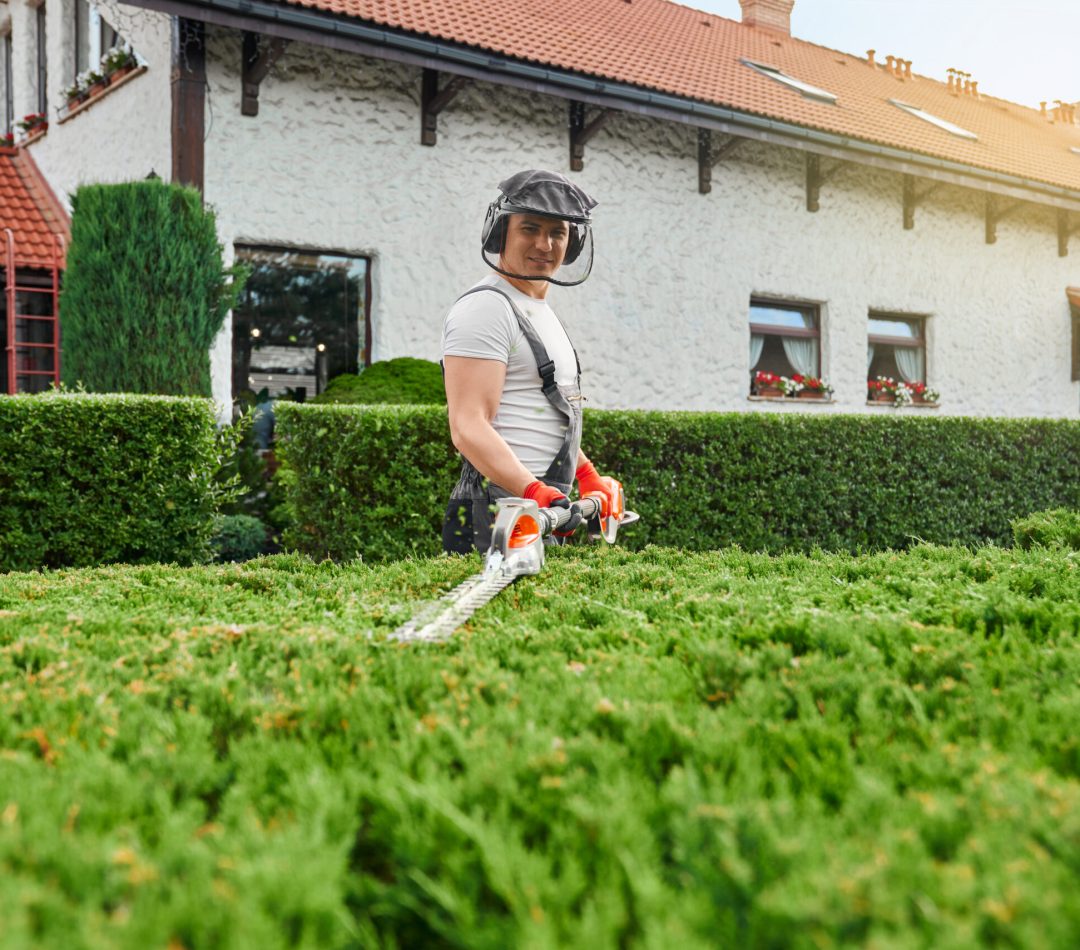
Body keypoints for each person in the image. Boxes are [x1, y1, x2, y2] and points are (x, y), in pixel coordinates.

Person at [440, 169, 619, 554]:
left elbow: (546, 411)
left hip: (538, 509)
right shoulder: (487, 307)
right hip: (496, 513)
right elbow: (467, 425)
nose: (545, 243)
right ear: (500, 232)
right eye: (530, 228)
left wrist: (587, 475)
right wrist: (534, 489)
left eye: (558, 233)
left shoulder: (539, 310)